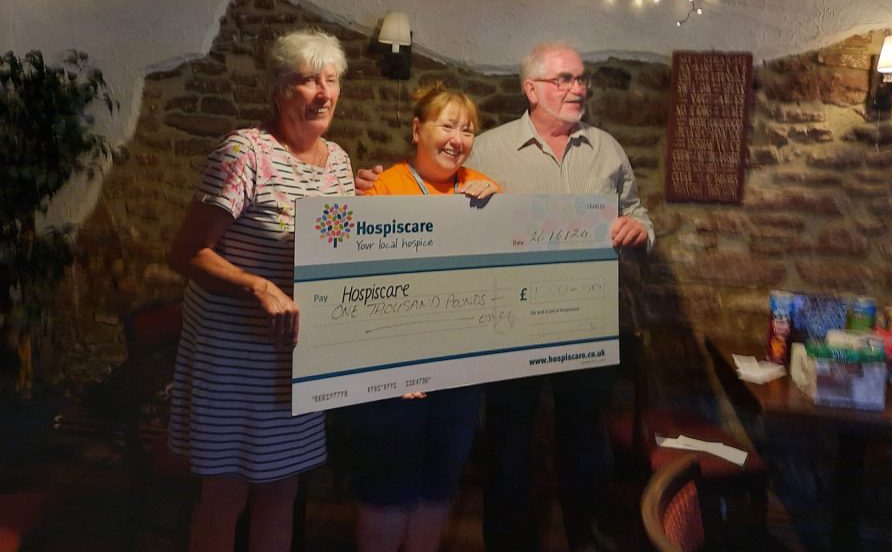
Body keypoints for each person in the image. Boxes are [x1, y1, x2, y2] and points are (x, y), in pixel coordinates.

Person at [356, 43, 652, 552]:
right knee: (509, 442)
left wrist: (639, 230)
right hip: (509, 326)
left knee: (586, 444)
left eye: (581, 80)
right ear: (531, 88)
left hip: (587, 323)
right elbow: (429, 191)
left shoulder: (608, 148)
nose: (577, 89)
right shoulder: (486, 150)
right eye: (564, 79)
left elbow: (638, 211)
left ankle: (587, 541)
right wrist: (375, 185)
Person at [167, 29, 354, 552]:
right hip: (232, 360)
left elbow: (334, 254)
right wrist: (257, 286)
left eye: (331, 80)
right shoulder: (244, 152)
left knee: (282, 489)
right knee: (225, 498)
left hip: (292, 361)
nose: (322, 92)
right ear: (277, 90)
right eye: (306, 80)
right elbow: (185, 253)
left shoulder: (337, 162)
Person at [348, 81, 499, 552]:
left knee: (439, 485)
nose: (458, 138)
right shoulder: (384, 188)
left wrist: (495, 200)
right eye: (447, 125)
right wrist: (392, 361)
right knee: (387, 491)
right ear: (417, 129)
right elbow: (362, 288)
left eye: (468, 129)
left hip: (458, 372)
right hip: (395, 378)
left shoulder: (484, 191)